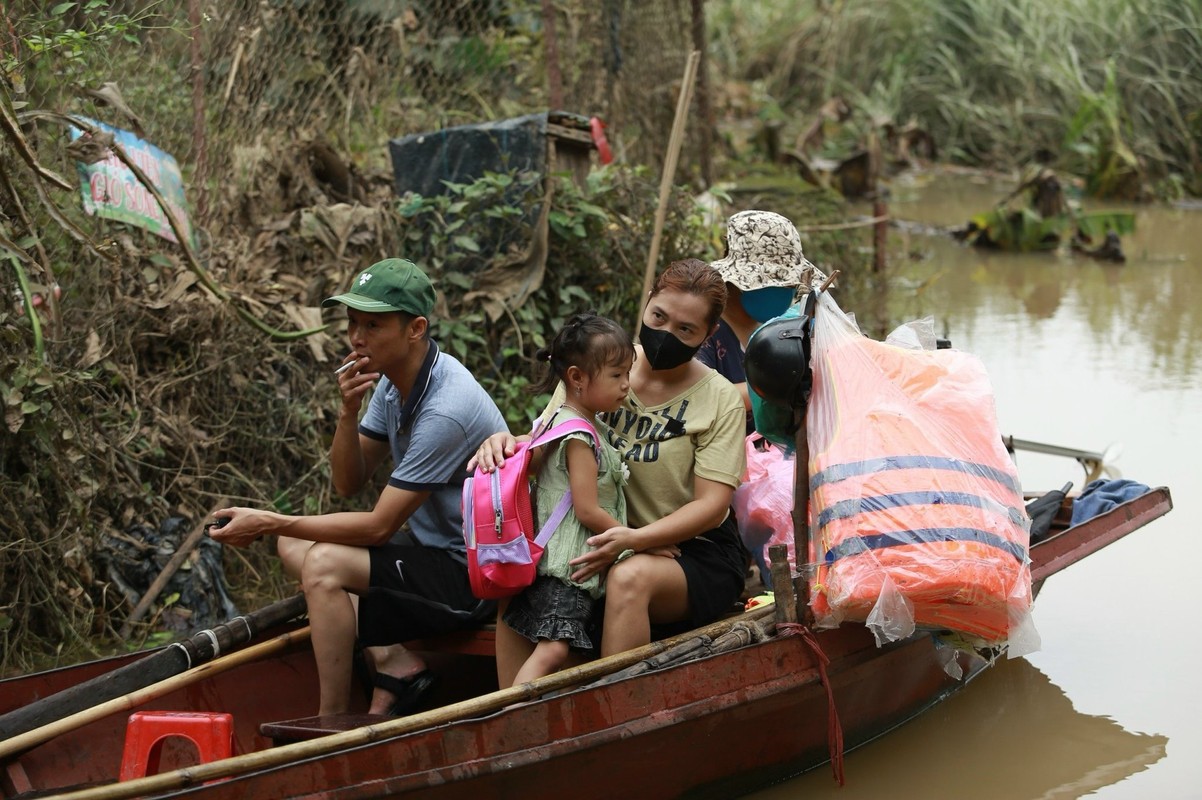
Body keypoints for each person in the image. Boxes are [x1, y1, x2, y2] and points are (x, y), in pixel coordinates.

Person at [209, 257, 507, 717]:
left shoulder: (445, 407)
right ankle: (392, 663)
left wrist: (268, 520)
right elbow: (348, 482)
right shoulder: (392, 383)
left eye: (373, 324)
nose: (356, 338)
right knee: (296, 541)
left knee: (324, 562)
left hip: (470, 573)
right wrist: (348, 413)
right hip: (426, 550)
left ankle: (331, 721)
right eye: (352, 322)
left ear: (416, 328)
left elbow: (377, 529)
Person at [475, 258, 746, 657]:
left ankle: (617, 710)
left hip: (689, 550)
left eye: (685, 329)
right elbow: (550, 441)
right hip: (599, 534)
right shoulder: (599, 362)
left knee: (627, 577)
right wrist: (505, 443)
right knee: (522, 574)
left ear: (708, 334)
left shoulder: (720, 398)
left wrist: (637, 541)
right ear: (647, 301)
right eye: (659, 316)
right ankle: (509, 711)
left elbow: (711, 505)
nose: (666, 334)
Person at [496, 313, 635, 687]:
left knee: (557, 651)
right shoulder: (579, 437)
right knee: (554, 650)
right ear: (576, 378)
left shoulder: (559, 419)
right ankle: (509, 712)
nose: (626, 385)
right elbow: (587, 509)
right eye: (616, 375)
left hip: (557, 562)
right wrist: (639, 540)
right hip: (567, 569)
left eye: (628, 374)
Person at [697, 210, 816, 433]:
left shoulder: (780, 327)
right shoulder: (703, 330)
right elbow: (700, 400)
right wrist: (779, 383)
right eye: (776, 283)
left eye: (788, 284)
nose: (785, 291)